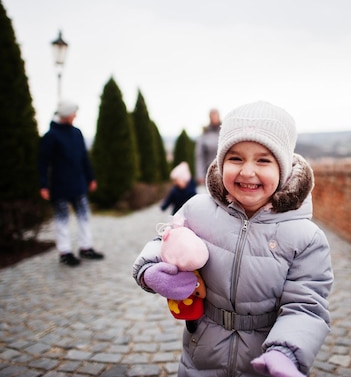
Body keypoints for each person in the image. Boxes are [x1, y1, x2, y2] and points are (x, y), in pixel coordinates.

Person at [133, 101, 333, 377]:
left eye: (263, 160)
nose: (247, 171)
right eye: (235, 158)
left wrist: (286, 352)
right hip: (202, 355)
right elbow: (163, 242)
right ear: (220, 162)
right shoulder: (197, 210)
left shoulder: (306, 238)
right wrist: (150, 271)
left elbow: (307, 306)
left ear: (284, 168)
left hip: (265, 357)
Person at [39, 100, 104, 267]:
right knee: (62, 219)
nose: (75, 116)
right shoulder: (50, 136)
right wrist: (43, 185)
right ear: (66, 114)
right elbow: (43, 162)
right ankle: (65, 252)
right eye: (73, 113)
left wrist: (91, 178)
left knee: (84, 217)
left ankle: (86, 248)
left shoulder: (77, 133)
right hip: (59, 185)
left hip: (79, 184)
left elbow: (84, 158)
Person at [194, 108, 221, 185]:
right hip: (209, 172)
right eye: (213, 116)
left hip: (224, 171)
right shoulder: (204, 135)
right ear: (209, 117)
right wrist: (200, 175)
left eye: (216, 115)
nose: (214, 118)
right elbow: (199, 156)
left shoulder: (224, 131)